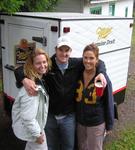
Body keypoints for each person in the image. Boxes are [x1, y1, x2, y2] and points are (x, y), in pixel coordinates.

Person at [14, 36, 107, 150]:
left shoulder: (77, 64)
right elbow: (19, 69)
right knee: (51, 146)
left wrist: (101, 72)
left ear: (70, 51)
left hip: (69, 117)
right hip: (50, 116)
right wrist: (24, 79)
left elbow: (98, 61)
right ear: (55, 50)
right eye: (61, 50)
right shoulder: (48, 64)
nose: (64, 53)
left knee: (68, 146)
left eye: (67, 50)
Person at [75, 43, 114, 150]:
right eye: (85, 57)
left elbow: (109, 101)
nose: (87, 61)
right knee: (82, 147)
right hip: (80, 122)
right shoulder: (78, 72)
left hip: (96, 123)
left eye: (91, 58)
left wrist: (109, 124)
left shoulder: (102, 79)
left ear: (97, 60)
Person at [12, 48, 51, 150]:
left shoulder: (38, 78)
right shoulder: (32, 88)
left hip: (37, 126)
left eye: (44, 62)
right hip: (35, 131)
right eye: (38, 63)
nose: (42, 66)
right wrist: (37, 135)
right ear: (32, 65)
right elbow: (27, 118)